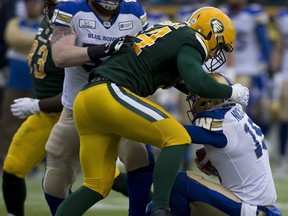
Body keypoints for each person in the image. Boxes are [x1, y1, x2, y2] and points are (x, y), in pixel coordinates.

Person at [55, 7, 250, 216]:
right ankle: (160, 208)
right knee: (177, 137)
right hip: (109, 93)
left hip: (86, 99)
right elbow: (197, 81)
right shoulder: (191, 38)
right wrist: (232, 91)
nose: (214, 53)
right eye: (218, 47)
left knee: (95, 186)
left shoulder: (170, 32)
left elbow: (185, 82)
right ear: (211, 31)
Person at [42, 0, 153, 215]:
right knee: (57, 171)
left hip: (120, 103)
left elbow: (150, 55)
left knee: (139, 156)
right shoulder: (70, 10)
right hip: (78, 107)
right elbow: (60, 56)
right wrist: (105, 49)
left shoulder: (135, 12)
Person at [163, 72, 281, 216]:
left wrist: (146, 122)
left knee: (182, 182)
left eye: (196, 98)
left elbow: (175, 133)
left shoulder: (220, 126)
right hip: (260, 207)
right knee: (159, 208)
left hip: (254, 210)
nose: (193, 102)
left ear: (208, 101)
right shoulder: (234, 112)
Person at [0, 0, 43, 170]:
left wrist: (26, 43)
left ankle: (32, 165)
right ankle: (5, 161)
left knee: (34, 125)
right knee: (9, 123)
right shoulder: (14, 22)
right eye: (28, 4)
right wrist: (35, 42)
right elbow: (12, 38)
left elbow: (42, 40)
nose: (30, 7)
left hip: (37, 82)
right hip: (15, 81)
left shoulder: (45, 23)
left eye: (34, 4)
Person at [221, 0, 271, 134]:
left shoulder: (254, 13)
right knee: (223, 108)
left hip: (248, 68)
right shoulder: (221, 13)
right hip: (224, 68)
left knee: (240, 108)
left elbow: (265, 43)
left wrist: (266, 65)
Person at [269, 6, 288, 176]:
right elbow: (279, 47)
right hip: (286, 74)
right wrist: (275, 74)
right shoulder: (283, 16)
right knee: (284, 119)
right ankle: (282, 159)